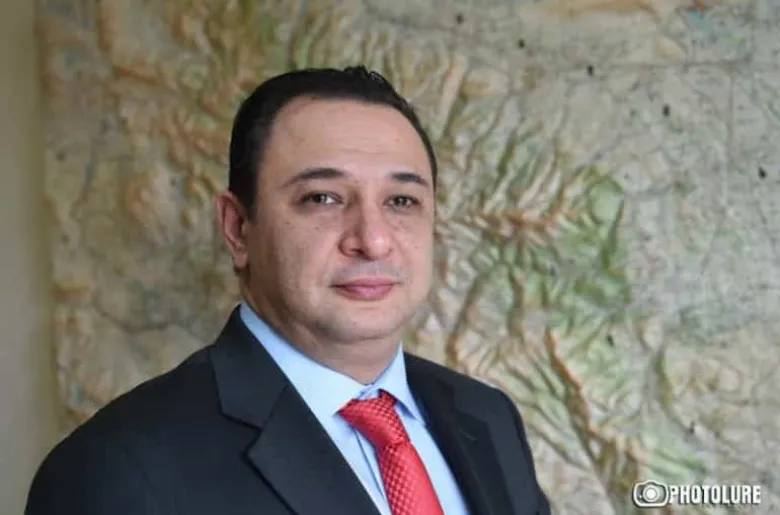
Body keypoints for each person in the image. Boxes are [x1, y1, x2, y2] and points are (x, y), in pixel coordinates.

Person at [25, 66, 551, 515]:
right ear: (238, 229)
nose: (373, 240)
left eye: (401, 201)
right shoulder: (117, 469)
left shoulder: (487, 417)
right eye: (322, 198)